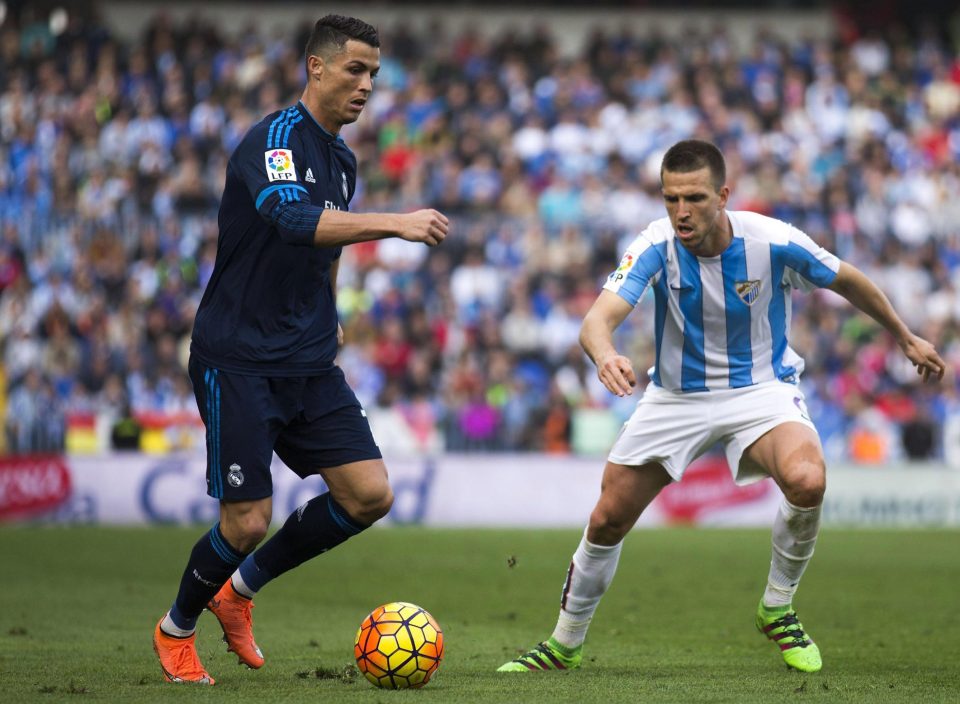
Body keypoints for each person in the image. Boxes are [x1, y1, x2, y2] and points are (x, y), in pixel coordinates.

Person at [497, 139, 944, 674]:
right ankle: (563, 643)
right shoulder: (655, 244)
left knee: (807, 479)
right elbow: (596, 320)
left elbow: (847, 279)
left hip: (760, 390)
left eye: (694, 198)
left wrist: (905, 337)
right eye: (670, 199)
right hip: (676, 397)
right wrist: (606, 353)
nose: (681, 212)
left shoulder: (772, 241)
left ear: (724, 195)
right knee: (608, 518)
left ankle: (777, 606)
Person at [152, 15, 449, 685]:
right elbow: (290, 219)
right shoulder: (273, 140)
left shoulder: (343, 158)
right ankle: (176, 629)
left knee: (369, 495)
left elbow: (329, 242)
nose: (367, 84)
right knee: (246, 520)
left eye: (374, 72)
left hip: (309, 359)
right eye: (355, 69)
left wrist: (333, 311)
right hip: (240, 358)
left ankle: (239, 595)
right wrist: (397, 223)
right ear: (315, 67)